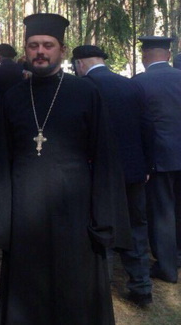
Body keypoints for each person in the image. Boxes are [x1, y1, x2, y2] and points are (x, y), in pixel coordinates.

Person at [0, 13, 130, 324]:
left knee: (75, 292)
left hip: (74, 214)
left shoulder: (85, 93)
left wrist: (105, 217)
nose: (40, 52)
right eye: (33, 45)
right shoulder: (13, 98)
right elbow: (0, 160)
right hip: (24, 213)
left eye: (48, 45)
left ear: (62, 49)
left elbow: (105, 157)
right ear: (25, 49)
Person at [73, 44, 152, 306]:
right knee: (136, 227)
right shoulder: (130, 85)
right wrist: (147, 166)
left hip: (100, 172)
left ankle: (100, 288)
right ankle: (141, 286)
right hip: (133, 171)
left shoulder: (84, 89)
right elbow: (147, 127)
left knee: (101, 225)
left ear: (80, 64)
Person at [132, 35, 181, 284]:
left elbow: (138, 125)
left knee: (162, 213)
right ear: (168, 55)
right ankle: (177, 256)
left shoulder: (139, 82)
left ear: (144, 55)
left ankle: (167, 267)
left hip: (160, 158)